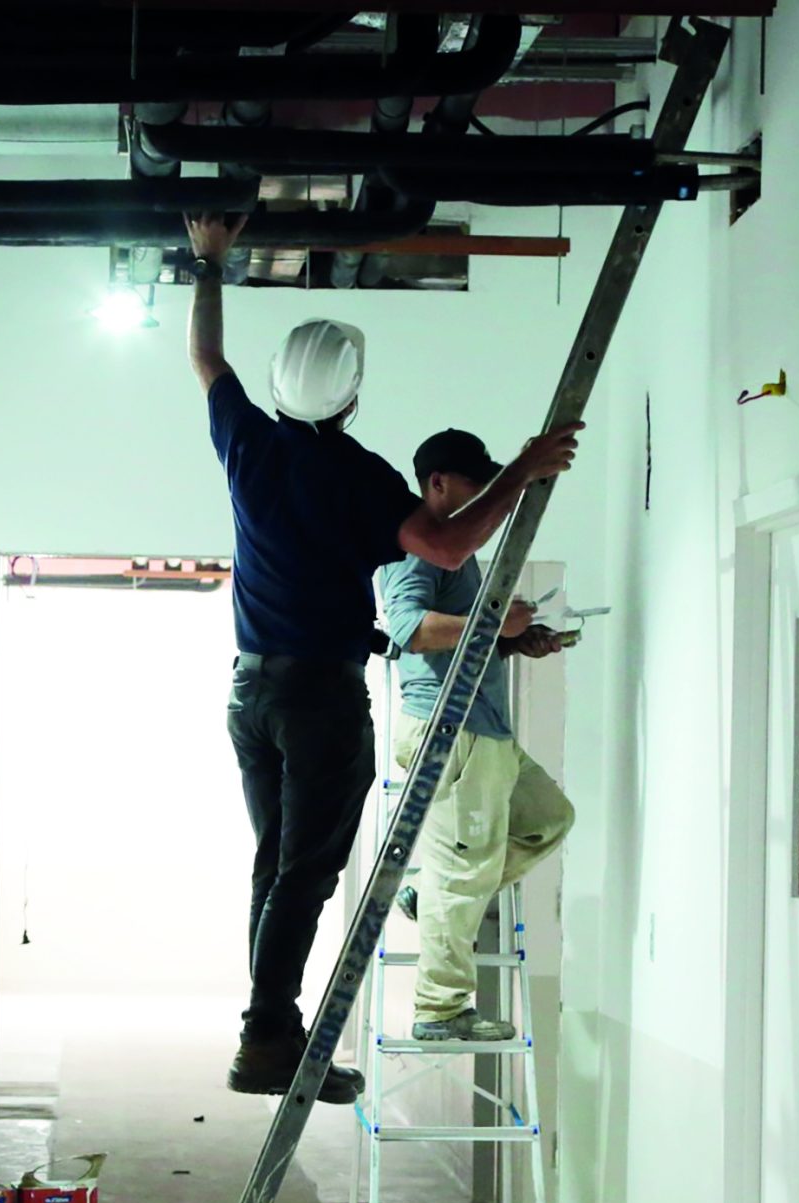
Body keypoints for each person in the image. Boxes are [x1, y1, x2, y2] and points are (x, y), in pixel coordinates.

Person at [182, 210, 582, 1095]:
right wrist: (523, 470)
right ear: (352, 396)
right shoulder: (360, 475)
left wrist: (209, 262)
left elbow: (207, 359)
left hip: (250, 696)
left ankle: (268, 1033)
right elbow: (444, 548)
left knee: (278, 867)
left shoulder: (246, 440)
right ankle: (267, 1038)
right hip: (321, 703)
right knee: (302, 875)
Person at [376, 428, 577, 1041]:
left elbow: (467, 640)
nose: (486, 498)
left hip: (482, 728)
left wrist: (514, 641)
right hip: (450, 729)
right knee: (461, 875)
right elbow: (409, 628)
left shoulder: (457, 558)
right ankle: (439, 1010)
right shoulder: (415, 553)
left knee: (548, 818)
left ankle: (422, 890)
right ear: (438, 483)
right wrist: (492, 620)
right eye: (474, 484)